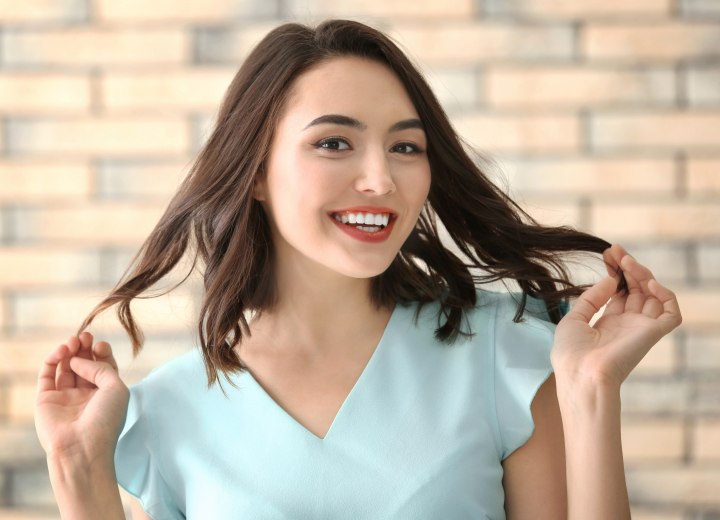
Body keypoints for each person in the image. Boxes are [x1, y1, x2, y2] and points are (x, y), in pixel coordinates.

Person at [34, 19, 681, 520]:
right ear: (255, 170)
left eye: (406, 146)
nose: (381, 179)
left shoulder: (505, 356)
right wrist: (76, 466)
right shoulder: (170, 413)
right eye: (334, 142)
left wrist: (591, 387)